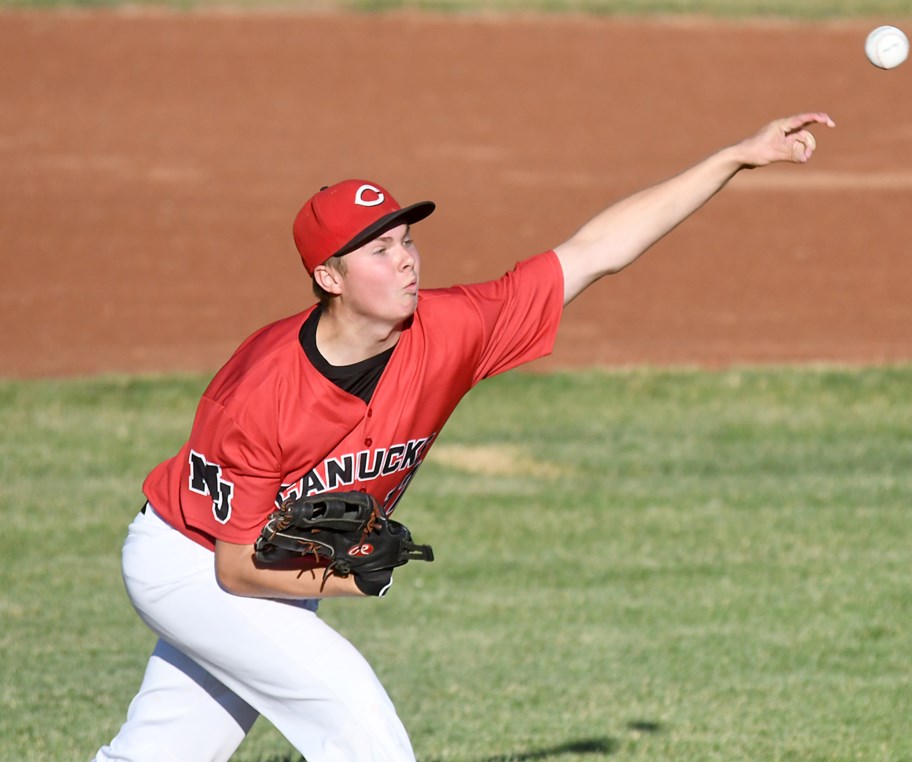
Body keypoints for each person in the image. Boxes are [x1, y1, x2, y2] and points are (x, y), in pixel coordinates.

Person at [94, 112, 834, 761]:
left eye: (407, 240)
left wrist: (734, 157)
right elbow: (235, 570)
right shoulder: (261, 392)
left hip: (272, 568)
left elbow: (595, 251)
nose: (407, 259)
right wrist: (352, 577)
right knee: (361, 729)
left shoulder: (453, 329)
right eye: (379, 252)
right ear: (330, 276)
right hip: (194, 564)